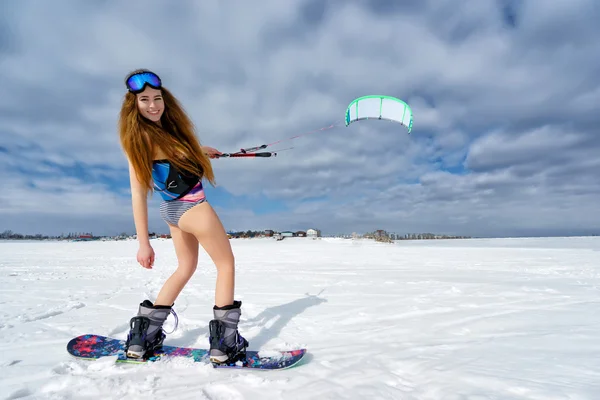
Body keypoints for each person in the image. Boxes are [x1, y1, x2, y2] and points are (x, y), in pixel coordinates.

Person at [117, 69, 248, 364]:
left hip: (172, 211)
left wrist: (200, 151)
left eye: (157, 98)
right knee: (226, 264)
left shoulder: (137, 141)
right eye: (145, 100)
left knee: (185, 267)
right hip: (194, 208)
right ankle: (224, 344)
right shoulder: (157, 139)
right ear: (133, 105)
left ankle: (143, 337)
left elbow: (171, 159)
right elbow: (141, 191)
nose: (153, 105)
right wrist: (143, 244)